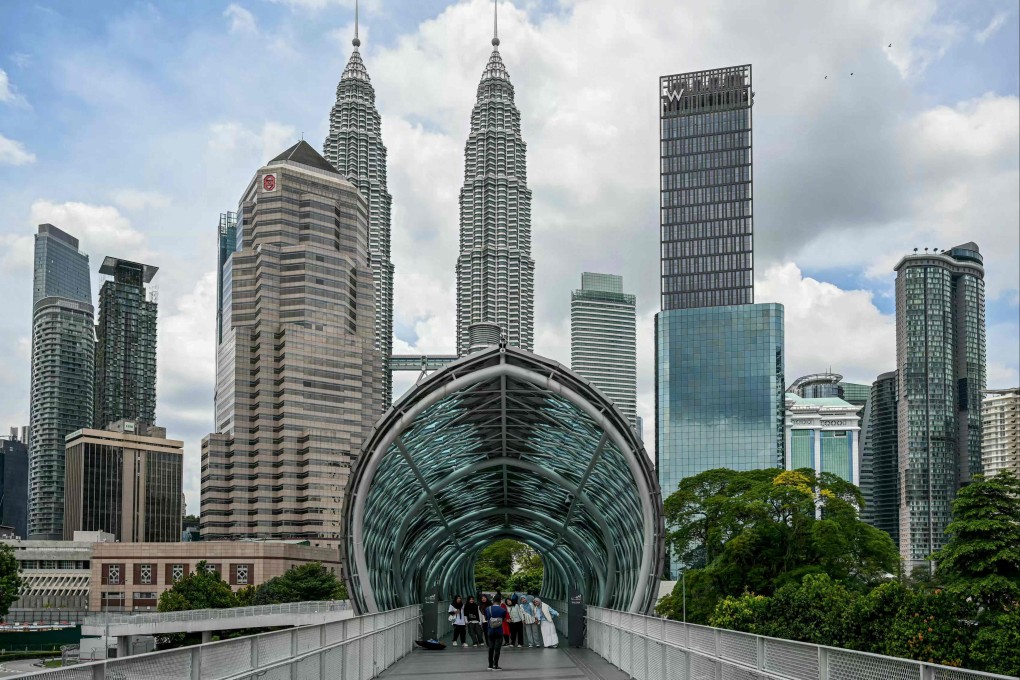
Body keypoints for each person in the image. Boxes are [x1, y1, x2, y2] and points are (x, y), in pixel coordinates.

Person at [485, 597, 508, 670]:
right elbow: (504, 619)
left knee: (491, 648)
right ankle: (496, 665)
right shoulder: (503, 610)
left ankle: (490, 665)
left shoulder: (488, 609)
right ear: (500, 602)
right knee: (497, 649)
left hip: (490, 630)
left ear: (492, 601)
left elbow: (486, 618)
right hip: (499, 631)